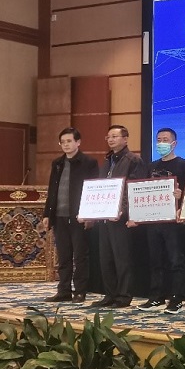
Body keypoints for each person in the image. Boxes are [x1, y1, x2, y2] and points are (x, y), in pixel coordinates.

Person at [131, 128, 185, 314]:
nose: (161, 143)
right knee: (155, 260)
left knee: (175, 260)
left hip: (173, 221)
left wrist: (182, 196)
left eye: (165, 140)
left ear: (174, 143)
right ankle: (156, 297)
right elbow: (142, 191)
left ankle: (176, 298)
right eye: (158, 139)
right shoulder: (151, 166)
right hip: (153, 220)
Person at [91, 124, 148, 308]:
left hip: (121, 218)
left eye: (114, 136)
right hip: (105, 216)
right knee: (105, 258)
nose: (110, 140)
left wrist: (124, 210)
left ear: (125, 139)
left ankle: (123, 296)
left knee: (122, 258)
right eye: (108, 137)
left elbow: (135, 189)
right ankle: (110, 294)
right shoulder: (108, 160)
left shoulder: (133, 160)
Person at [43, 127, 99, 304]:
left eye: (69, 141)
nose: (66, 145)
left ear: (78, 142)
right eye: (63, 142)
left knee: (80, 256)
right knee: (64, 256)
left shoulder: (89, 162)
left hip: (79, 216)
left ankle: (80, 291)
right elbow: (52, 190)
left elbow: (93, 190)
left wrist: (89, 215)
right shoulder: (57, 163)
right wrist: (47, 214)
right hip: (59, 216)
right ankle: (64, 291)